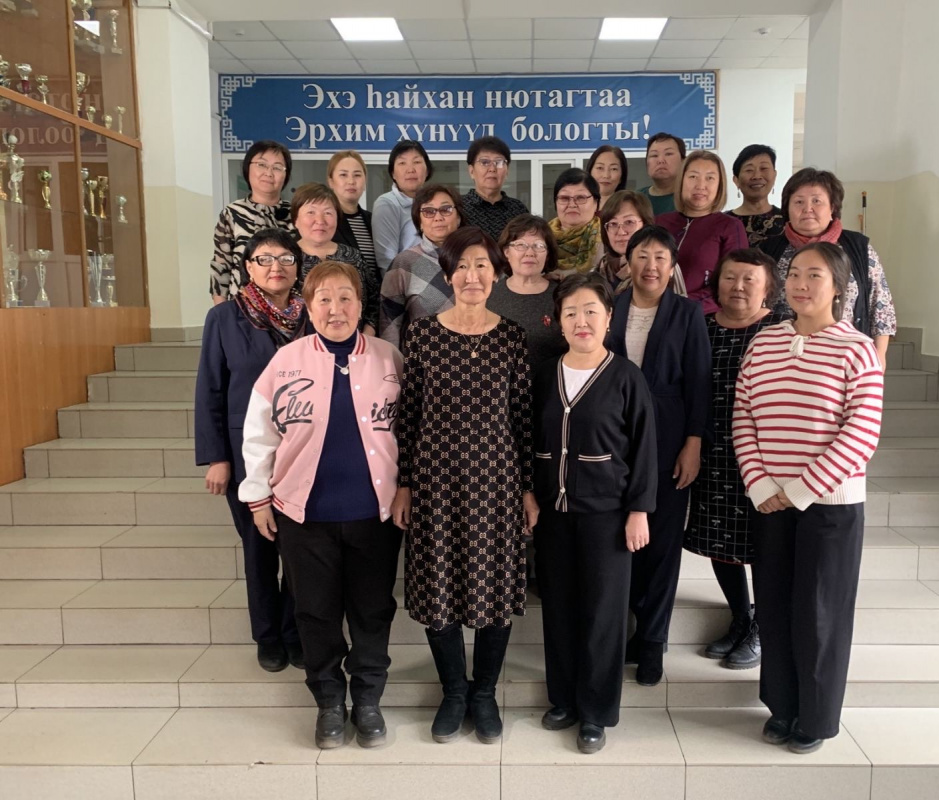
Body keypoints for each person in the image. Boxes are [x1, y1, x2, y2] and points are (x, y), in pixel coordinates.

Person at [240, 260, 404, 750]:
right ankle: (329, 700)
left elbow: (412, 430)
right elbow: (259, 434)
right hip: (303, 514)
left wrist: (409, 489)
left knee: (372, 610)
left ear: (360, 304)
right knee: (314, 612)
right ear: (308, 307)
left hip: (374, 513)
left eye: (345, 297)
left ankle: (368, 698)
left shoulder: (390, 358)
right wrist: (258, 497)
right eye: (324, 299)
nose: (336, 308)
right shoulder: (285, 361)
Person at [734, 242, 884, 754]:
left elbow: (861, 433)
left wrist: (798, 490)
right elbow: (743, 414)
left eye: (814, 275)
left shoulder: (857, 348)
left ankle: (815, 718)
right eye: (794, 273)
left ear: (838, 287)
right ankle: (782, 706)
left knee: (820, 615)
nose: (800, 284)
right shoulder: (765, 342)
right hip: (770, 502)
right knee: (775, 609)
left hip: (830, 507)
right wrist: (760, 484)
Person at [392, 226, 534, 746]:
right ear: (448, 275)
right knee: (438, 587)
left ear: (495, 274)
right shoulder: (422, 335)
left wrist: (527, 490)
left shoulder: (511, 337)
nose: (472, 276)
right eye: (463, 266)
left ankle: (484, 693)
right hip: (435, 484)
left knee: (495, 586)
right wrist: (404, 484)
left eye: (482, 266)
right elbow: (408, 418)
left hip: (497, 484)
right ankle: (454, 691)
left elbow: (523, 421)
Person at [531, 272, 657, 754]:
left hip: (608, 516)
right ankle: (563, 699)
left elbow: (645, 449)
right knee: (559, 607)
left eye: (590, 311)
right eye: (571, 313)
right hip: (553, 513)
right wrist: (527, 493)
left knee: (604, 614)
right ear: (558, 321)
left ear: (608, 318)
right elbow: (527, 437)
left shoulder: (626, 377)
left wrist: (639, 509)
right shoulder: (544, 374)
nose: (580, 321)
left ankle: (596, 712)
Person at [196, 228, 308, 673]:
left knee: (300, 548)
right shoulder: (225, 317)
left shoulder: (311, 315)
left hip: (303, 451)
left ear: (298, 267)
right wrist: (217, 457)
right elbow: (210, 389)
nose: (276, 267)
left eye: (285, 258)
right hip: (245, 452)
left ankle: (295, 631)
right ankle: (268, 636)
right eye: (264, 258)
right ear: (248, 267)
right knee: (259, 550)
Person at [604, 227, 710, 686]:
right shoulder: (610, 308)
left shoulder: (688, 314)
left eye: (660, 257)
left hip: (669, 438)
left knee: (662, 544)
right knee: (619, 540)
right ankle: (625, 632)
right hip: (613, 441)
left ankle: (652, 641)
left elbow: (700, 383)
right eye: (642, 256)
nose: (650, 266)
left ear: (672, 266)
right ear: (627, 263)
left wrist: (693, 442)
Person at [683, 248, 784, 670]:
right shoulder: (701, 328)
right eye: (730, 278)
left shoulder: (782, 330)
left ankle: (763, 625)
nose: (738, 287)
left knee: (765, 544)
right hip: (713, 453)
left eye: (749, 280)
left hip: (767, 457)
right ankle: (741, 617)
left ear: (768, 288)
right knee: (720, 541)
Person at [757, 167, 897, 368]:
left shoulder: (858, 248)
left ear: (832, 208)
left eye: (817, 201)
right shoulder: (769, 250)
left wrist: (879, 355)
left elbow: (880, 304)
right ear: (787, 209)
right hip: (781, 355)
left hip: (844, 355)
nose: (808, 209)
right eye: (799, 202)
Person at [656, 150, 749, 314]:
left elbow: (734, 282)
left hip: (704, 318)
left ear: (720, 185)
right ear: (681, 181)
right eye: (693, 176)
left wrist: (681, 305)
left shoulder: (730, 226)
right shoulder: (659, 222)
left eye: (710, 178)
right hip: (653, 314)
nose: (700, 185)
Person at [379, 184, 465, 349]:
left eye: (446, 209)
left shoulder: (477, 259)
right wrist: (393, 360)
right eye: (428, 211)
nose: (438, 217)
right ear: (419, 222)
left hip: (475, 356)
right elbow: (389, 322)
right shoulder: (404, 262)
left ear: (459, 218)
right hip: (422, 358)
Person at [209, 140, 294, 303]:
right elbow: (220, 267)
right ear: (248, 168)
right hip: (242, 307)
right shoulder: (232, 213)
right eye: (262, 165)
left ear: (286, 175)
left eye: (277, 167)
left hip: (288, 308)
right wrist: (222, 312)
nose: (269, 173)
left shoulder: (296, 214)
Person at [291, 182, 380, 335]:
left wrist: (367, 335)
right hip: (301, 346)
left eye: (328, 213)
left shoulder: (352, 256)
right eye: (311, 212)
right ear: (296, 220)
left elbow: (375, 301)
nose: (320, 220)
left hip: (355, 343)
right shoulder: (286, 259)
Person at [487, 214, 568, 371]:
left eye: (538, 245)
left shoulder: (563, 296)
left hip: (552, 384)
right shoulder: (488, 296)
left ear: (548, 253)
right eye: (521, 245)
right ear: (506, 252)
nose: (530, 252)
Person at [596, 191, 683, 296]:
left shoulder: (664, 264)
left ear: (646, 225)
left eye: (629, 222)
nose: (621, 232)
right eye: (613, 224)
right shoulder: (602, 266)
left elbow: (679, 304)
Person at [372, 139, 432, 272]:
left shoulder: (434, 203)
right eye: (402, 163)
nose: (410, 170)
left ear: (427, 170)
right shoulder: (387, 204)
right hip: (406, 281)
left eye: (417, 162)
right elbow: (387, 262)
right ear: (393, 173)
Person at [461, 135, 529, 240]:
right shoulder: (459, 207)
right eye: (484, 162)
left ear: (507, 171)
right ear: (471, 171)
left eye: (499, 162)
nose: (492, 169)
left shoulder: (518, 209)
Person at [326, 149, 378, 275]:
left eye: (357, 175)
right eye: (343, 175)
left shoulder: (374, 220)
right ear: (331, 181)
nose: (351, 181)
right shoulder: (324, 221)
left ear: (365, 182)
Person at [726, 144, 785, 247]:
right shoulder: (723, 223)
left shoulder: (788, 220)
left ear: (774, 175)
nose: (757, 176)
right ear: (736, 180)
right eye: (749, 170)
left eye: (764, 168)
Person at [548, 169, 603, 276]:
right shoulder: (541, 238)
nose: (572, 205)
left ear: (596, 203)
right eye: (564, 198)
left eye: (580, 198)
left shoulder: (608, 238)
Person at [639, 132, 685, 216]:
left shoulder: (691, 198)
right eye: (654, 155)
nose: (661, 160)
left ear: (683, 161)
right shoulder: (636, 199)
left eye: (668, 154)